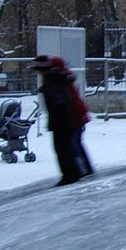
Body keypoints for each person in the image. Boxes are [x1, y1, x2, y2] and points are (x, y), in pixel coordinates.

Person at [31, 55, 93, 184]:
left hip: (67, 120)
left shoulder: (52, 82)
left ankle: (75, 173)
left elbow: (61, 103)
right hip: (72, 118)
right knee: (72, 146)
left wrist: (64, 119)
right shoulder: (62, 79)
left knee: (67, 147)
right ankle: (81, 170)